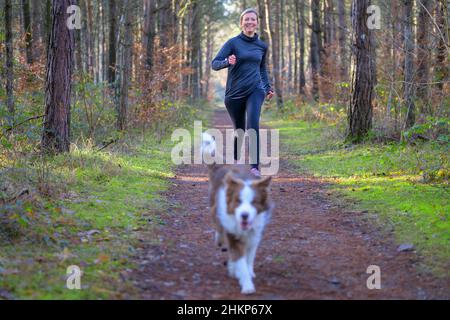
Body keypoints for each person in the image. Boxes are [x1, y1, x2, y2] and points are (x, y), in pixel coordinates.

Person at [211, 8, 274, 178]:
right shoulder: (233, 43)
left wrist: (267, 87)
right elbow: (214, 63)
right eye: (246, 19)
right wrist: (226, 61)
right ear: (241, 23)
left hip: (255, 90)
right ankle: (238, 160)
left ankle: (255, 167)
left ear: (257, 23)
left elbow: (262, 69)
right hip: (234, 93)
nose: (249, 22)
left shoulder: (262, 46)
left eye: (253, 19)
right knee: (239, 128)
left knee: (252, 124)